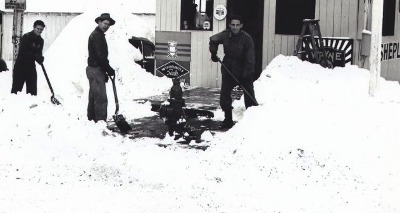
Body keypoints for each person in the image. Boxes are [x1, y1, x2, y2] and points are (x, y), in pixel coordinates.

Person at [209, 15, 258, 129]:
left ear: (241, 25)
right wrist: (213, 52)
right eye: (233, 25)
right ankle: (228, 120)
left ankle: (252, 121)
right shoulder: (226, 34)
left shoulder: (247, 39)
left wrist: (245, 76)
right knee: (224, 97)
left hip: (243, 68)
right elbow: (213, 39)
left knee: (249, 95)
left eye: (237, 25)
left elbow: (250, 60)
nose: (235, 27)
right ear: (230, 25)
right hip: (228, 68)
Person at [86, 13, 116, 122]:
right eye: (104, 23)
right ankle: (100, 122)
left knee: (94, 96)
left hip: (94, 69)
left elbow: (100, 56)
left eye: (108, 24)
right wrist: (108, 69)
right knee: (101, 98)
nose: (106, 26)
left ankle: (92, 120)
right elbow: (100, 56)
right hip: (96, 69)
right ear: (99, 22)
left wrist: (105, 71)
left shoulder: (97, 34)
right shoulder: (97, 36)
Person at [11, 20, 45, 96]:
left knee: (32, 92)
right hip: (20, 66)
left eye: (41, 29)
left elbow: (39, 53)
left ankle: (31, 105)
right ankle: (13, 106)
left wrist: (40, 58)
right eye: (38, 28)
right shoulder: (26, 37)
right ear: (34, 27)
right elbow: (23, 52)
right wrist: (35, 56)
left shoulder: (41, 41)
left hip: (31, 67)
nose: (39, 31)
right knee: (16, 91)